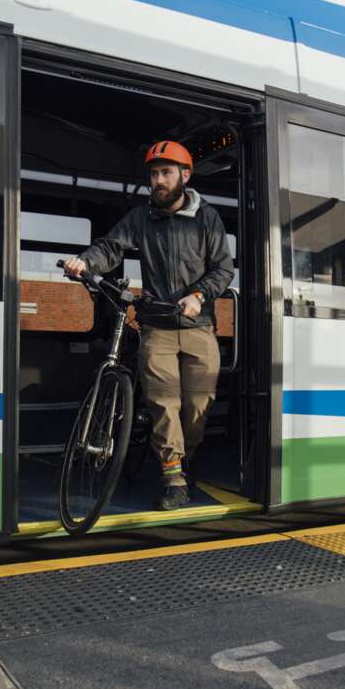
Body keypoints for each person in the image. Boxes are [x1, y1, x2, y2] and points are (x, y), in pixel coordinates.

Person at [64, 140, 234, 511]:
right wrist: (85, 262)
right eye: (154, 174)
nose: (157, 180)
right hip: (156, 325)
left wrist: (200, 296)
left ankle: (186, 454)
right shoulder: (141, 218)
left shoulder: (208, 218)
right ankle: (173, 477)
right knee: (163, 402)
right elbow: (111, 247)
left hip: (198, 325)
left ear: (185, 176)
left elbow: (223, 268)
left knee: (198, 407)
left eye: (165, 173)